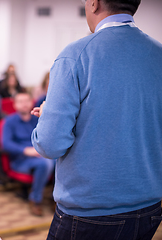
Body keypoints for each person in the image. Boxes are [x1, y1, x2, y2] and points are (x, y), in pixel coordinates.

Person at [31, 0, 162, 239]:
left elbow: (50, 144)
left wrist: (49, 115)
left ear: (94, 3)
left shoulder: (76, 55)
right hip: (150, 206)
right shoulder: (158, 53)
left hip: (91, 211)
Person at [3, 92, 55, 216]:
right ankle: (35, 199)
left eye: (26, 101)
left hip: (40, 154)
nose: (24, 104)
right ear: (15, 105)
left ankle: (55, 198)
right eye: (20, 101)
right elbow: (5, 144)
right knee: (44, 163)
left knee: (60, 161)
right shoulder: (9, 121)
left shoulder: (37, 119)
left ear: (31, 102)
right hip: (21, 159)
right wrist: (26, 150)